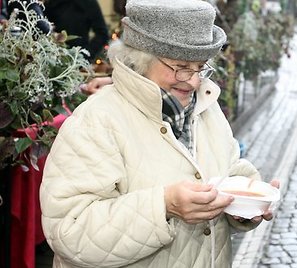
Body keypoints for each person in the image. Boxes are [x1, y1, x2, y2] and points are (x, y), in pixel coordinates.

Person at [40, 0, 279, 267]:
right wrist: (163, 206)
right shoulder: (96, 121)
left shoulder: (207, 108)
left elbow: (227, 168)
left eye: (200, 67)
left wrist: (245, 204)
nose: (194, 80)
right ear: (140, 60)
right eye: (180, 67)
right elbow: (69, 232)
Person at [44, 0, 109, 61]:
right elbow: (43, 29)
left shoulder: (88, 3)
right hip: (55, 57)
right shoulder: (52, 3)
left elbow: (102, 34)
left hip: (79, 58)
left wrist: (85, 54)